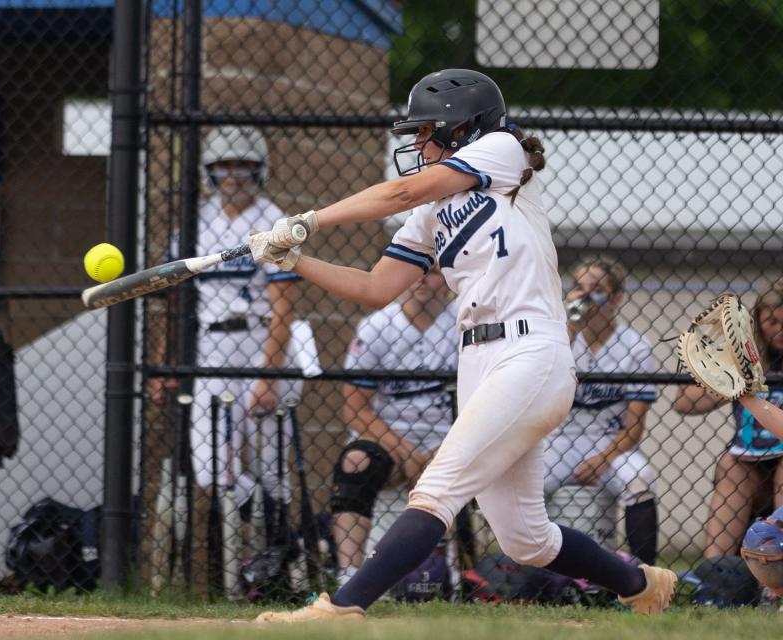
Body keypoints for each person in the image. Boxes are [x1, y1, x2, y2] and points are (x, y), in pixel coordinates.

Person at [248, 69, 677, 621]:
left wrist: (309, 220)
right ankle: (642, 584)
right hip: (476, 359)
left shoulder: (502, 150)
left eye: (427, 131)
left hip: (530, 352)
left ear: (461, 128)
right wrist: (295, 260)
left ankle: (342, 606)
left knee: (438, 489)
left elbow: (400, 190)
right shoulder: (430, 212)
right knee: (525, 538)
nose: (417, 143)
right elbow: (377, 288)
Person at [159, 126, 310, 530]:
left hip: (261, 342)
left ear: (260, 170)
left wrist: (268, 374)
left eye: (244, 165)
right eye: (223, 165)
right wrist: (167, 362)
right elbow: (175, 303)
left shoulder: (273, 222)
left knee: (272, 467)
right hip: (210, 347)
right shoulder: (194, 224)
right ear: (208, 171)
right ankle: (262, 520)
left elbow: (284, 311)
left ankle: (277, 557)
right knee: (211, 467)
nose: (233, 175)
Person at [333, 267, 458, 588]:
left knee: (472, 465)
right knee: (355, 462)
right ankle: (349, 575)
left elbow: (483, 400)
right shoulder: (377, 326)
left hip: (449, 437)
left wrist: (440, 452)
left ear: (447, 277)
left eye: (430, 273)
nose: (420, 279)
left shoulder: (464, 322)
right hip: (388, 439)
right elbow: (355, 409)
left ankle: (461, 574)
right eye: (414, 272)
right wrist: (406, 452)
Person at [543, 256, 659, 565]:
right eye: (579, 288)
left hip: (611, 443)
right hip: (559, 439)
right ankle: (531, 576)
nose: (586, 295)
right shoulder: (559, 338)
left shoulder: (635, 346)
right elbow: (539, 389)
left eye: (596, 288)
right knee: (525, 483)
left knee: (640, 479)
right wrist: (569, 326)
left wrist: (603, 458)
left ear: (616, 297)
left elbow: (633, 429)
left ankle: (644, 576)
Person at [674, 278, 783, 559]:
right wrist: (735, 382)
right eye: (772, 321)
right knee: (731, 466)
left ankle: (777, 575)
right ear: (758, 321)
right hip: (752, 463)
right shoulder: (747, 355)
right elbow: (684, 402)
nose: (780, 329)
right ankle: (716, 575)